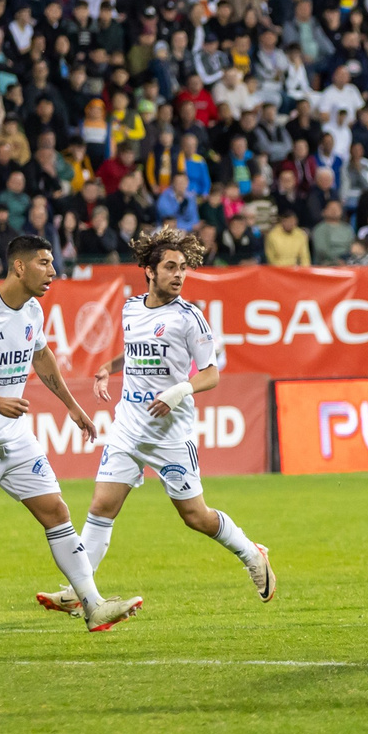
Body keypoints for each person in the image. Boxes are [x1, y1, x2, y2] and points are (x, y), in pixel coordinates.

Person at [39, 225, 273, 618]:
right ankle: (82, 589)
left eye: (182, 267)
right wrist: (107, 368)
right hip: (129, 427)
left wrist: (179, 391)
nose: (178, 275)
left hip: (170, 435)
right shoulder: (131, 307)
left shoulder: (190, 318)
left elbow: (211, 373)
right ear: (149, 271)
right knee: (101, 507)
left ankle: (252, 553)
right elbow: (136, 352)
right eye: (170, 267)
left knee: (195, 516)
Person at [0, 234, 138, 636]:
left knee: (56, 511)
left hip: (16, 436)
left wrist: (71, 405)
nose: (53, 271)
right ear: (18, 267)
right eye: (43, 263)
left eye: (52, 262)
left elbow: (41, 355)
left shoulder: (34, 311)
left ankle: (93, 605)